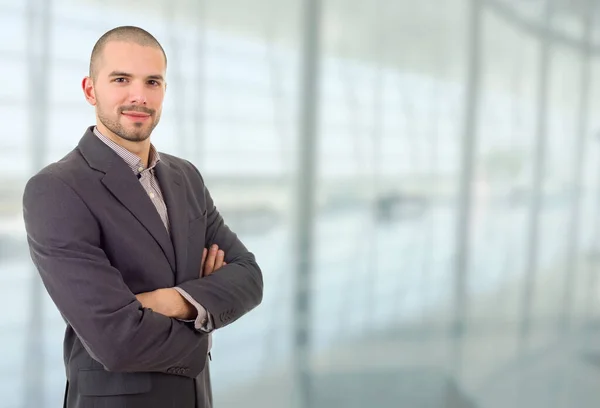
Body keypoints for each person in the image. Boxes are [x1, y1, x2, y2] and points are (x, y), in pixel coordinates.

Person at [22, 25, 263, 408]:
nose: (139, 96)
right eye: (121, 79)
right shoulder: (57, 189)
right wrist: (203, 318)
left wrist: (172, 301)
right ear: (90, 90)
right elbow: (115, 340)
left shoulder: (186, 177)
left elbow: (249, 276)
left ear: (164, 91)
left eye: (153, 82)